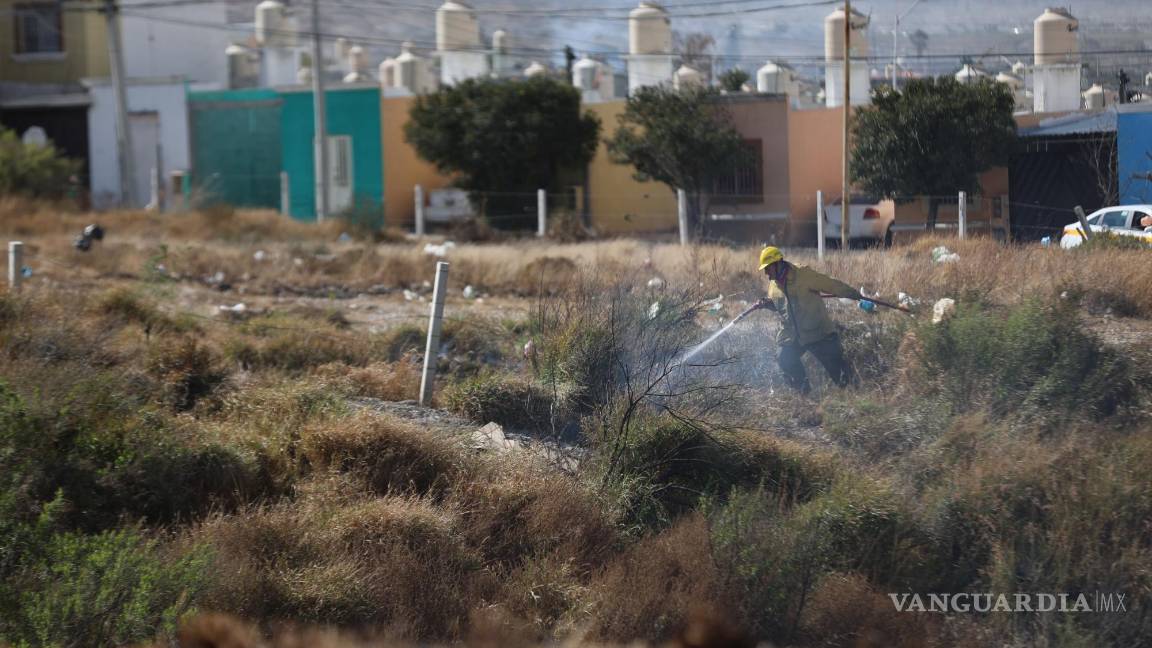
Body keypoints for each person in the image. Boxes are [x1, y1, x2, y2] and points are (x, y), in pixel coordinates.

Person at [755, 246, 862, 392]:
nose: (766, 273)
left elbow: (830, 284)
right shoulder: (773, 287)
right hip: (794, 337)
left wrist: (853, 293)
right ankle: (804, 394)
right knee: (784, 358)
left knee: (841, 376)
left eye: (768, 268)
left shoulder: (803, 274)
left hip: (818, 333)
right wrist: (769, 304)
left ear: (778, 263)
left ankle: (856, 395)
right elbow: (783, 307)